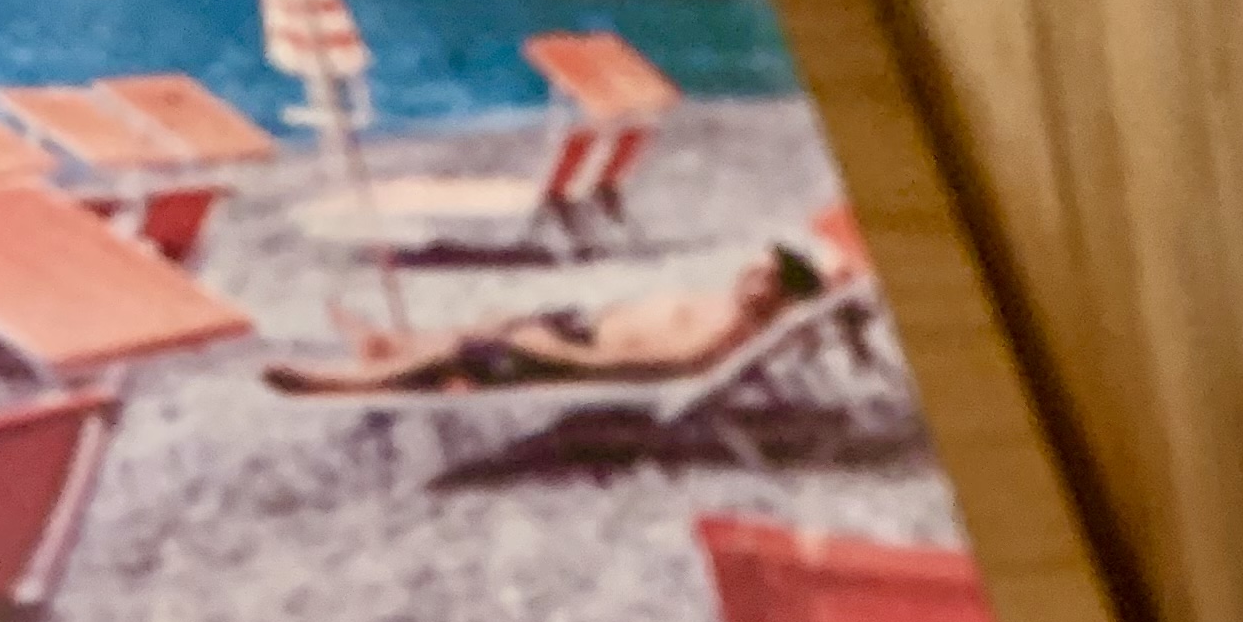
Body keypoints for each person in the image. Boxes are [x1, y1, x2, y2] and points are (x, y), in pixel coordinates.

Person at [264, 240, 826, 400]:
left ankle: (336, 382)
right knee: (487, 324)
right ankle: (391, 344)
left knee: (467, 354)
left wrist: (556, 354)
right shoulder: (733, 307)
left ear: (782, 299)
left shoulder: (726, 333)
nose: (748, 279)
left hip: (580, 359)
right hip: (578, 329)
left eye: (762, 281)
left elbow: (637, 370)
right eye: (752, 269)